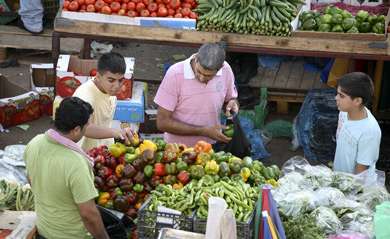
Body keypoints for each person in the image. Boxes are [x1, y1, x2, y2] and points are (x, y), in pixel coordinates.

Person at [24, 97, 109, 239]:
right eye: (86, 126)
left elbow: (31, 179)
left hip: (44, 230)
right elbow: (89, 214)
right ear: (76, 130)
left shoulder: (34, 143)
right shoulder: (76, 163)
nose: (87, 129)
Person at [154, 43, 239, 147]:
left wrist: (232, 104)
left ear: (220, 67)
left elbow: (230, 99)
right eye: (199, 72)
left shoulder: (226, 70)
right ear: (196, 59)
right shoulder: (175, 74)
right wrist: (203, 131)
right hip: (178, 148)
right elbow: (162, 123)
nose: (202, 78)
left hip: (210, 146)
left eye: (208, 76)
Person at [73, 52, 134, 151]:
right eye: (111, 80)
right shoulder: (85, 96)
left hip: (105, 151)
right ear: (98, 76)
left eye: (120, 80)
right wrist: (116, 132)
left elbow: (113, 112)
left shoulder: (109, 90)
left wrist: (125, 127)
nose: (117, 85)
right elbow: (84, 127)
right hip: (85, 154)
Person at [333, 72, 381, 174]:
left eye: (341, 95)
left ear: (357, 101)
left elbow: (361, 173)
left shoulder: (370, 132)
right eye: (337, 93)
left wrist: (347, 188)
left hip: (353, 185)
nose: (336, 98)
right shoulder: (344, 112)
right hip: (339, 177)